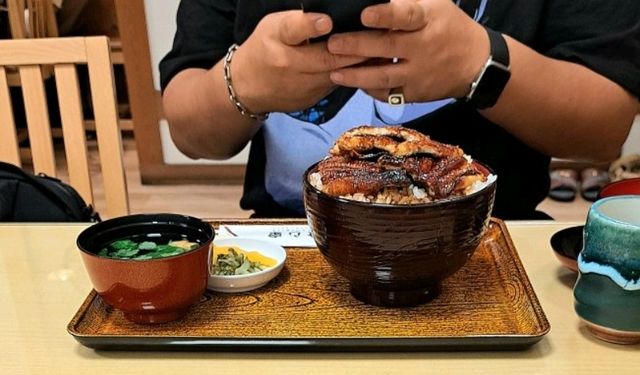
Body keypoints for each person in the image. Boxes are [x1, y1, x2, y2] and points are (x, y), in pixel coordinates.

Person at [160, 0, 640, 219]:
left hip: (493, 237)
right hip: (289, 237)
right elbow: (190, 130)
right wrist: (242, 85)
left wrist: (481, 65)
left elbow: (602, 131)